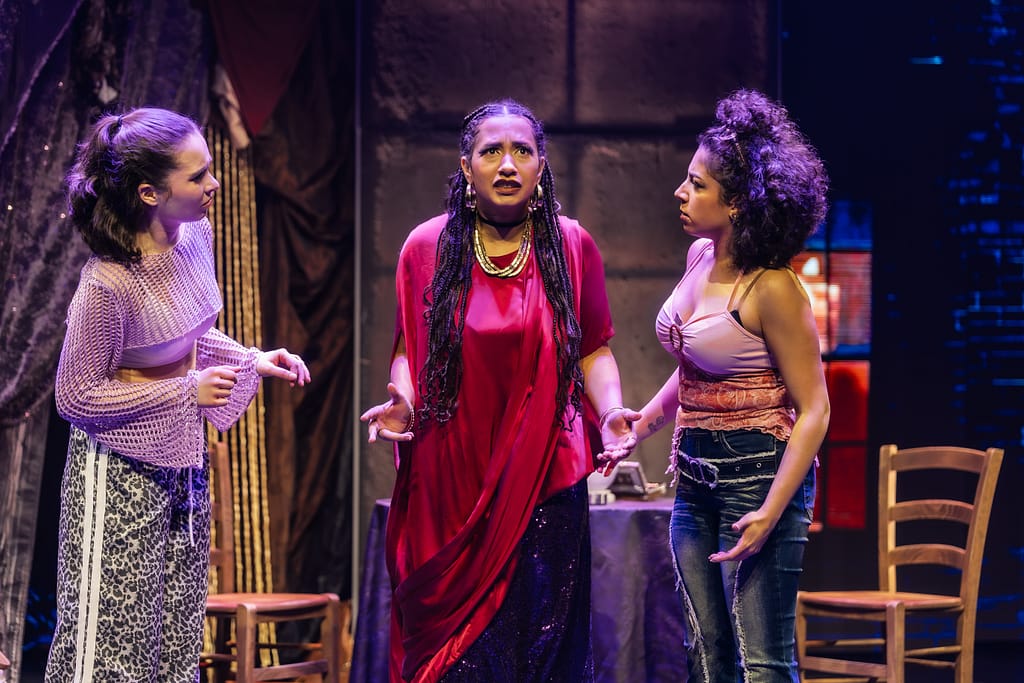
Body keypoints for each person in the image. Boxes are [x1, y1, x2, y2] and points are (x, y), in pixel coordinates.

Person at [360, 99, 639, 683]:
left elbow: (593, 348)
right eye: (491, 151)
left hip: (545, 477)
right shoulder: (426, 247)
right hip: (450, 477)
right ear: (467, 166)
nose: (507, 164)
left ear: (541, 165)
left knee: (542, 650)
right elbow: (410, 348)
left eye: (522, 151)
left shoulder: (571, 245)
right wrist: (404, 400)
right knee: (461, 659)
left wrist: (611, 409)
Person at [46, 107, 311, 682]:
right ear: (149, 193)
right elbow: (76, 397)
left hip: (181, 463)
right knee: (113, 645)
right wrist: (186, 390)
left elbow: (183, 334)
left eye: (209, 168)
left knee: (173, 641)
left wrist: (250, 360)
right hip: (117, 476)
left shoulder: (195, 237)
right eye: (197, 176)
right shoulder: (107, 283)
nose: (213, 184)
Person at [634, 88, 830, 682]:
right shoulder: (699, 256)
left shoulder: (773, 288)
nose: (680, 192)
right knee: (705, 654)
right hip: (695, 478)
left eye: (697, 184)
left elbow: (815, 410)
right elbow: (698, 365)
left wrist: (772, 511)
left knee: (762, 662)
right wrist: (642, 423)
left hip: (758, 476)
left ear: (739, 202)